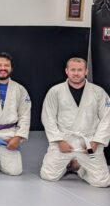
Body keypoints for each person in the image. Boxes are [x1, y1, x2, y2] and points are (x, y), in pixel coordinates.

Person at [39, 58, 110, 187]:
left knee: (102, 182)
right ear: (67, 71)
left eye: (80, 70)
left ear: (86, 71)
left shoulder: (98, 92)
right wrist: (59, 140)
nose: (76, 73)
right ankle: (68, 164)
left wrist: (97, 141)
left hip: (88, 143)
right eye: (73, 70)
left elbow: (107, 118)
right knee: (48, 175)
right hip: (64, 141)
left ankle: (79, 168)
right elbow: (48, 118)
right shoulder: (55, 91)